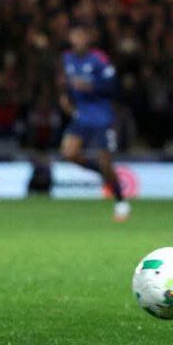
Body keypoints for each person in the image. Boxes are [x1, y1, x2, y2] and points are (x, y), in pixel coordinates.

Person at [59, 26, 130, 221]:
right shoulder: (67, 59)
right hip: (81, 116)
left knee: (106, 162)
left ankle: (121, 201)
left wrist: (91, 86)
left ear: (88, 39)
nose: (78, 40)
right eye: (75, 36)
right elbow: (66, 83)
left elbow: (113, 86)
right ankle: (102, 173)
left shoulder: (99, 59)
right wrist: (66, 98)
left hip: (102, 117)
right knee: (69, 153)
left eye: (82, 36)